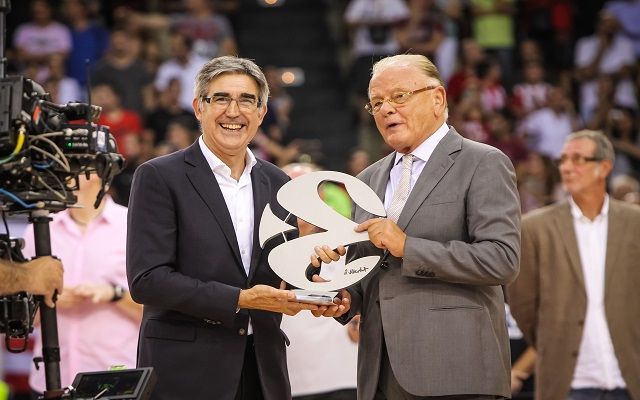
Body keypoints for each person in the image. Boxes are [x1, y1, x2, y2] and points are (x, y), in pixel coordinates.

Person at [313, 54, 521, 399]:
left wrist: (407, 247)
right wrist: (343, 297)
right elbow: (369, 273)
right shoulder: (367, 179)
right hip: (379, 372)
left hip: (456, 371)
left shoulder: (483, 162)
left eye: (399, 96)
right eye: (376, 103)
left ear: (437, 98)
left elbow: (502, 259)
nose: (385, 109)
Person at [126, 56, 318, 400]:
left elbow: (279, 273)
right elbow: (148, 280)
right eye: (221, 98)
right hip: (186, 373)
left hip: (263, 370)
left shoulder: (277, 182)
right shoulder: (158, 176)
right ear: (198, 107)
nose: (233, 111)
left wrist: (320, 280)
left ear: (261, 112)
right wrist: (240, 300)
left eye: (246, 100)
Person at [508, 130, 640, 400]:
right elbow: (523, 305)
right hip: (566, 380)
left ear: (604, 167)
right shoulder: (534, 228)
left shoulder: (634, 223)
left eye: (578, 159)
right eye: (563, 160)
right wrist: (554, 338)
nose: (567, 167)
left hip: (630, 375)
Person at [22, 174, 142, 397]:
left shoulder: (133, 225)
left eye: (74, 162)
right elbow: (21, 316)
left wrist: (114, 294)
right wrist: (47, 298)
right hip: (50, 380)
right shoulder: (39, 230)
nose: (64, 169)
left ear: (99, 171)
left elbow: (157, 308)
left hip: (115, 379)